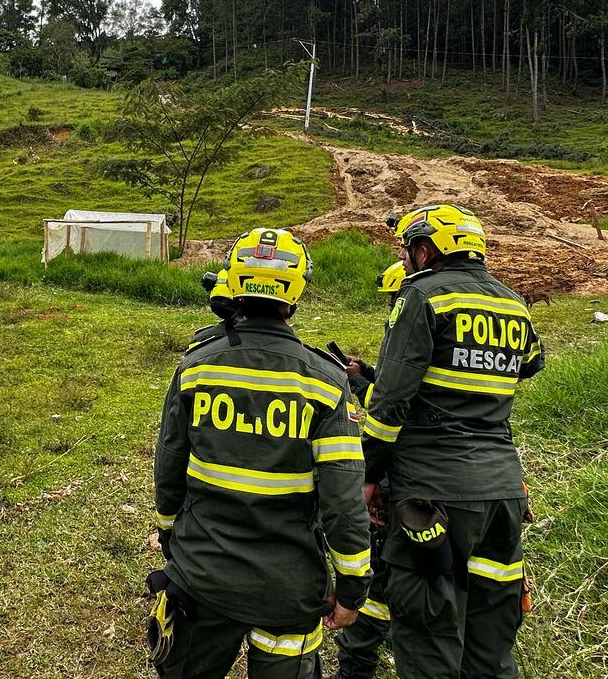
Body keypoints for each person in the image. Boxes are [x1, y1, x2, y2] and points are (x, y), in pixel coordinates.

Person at [152, 228, 371, 679]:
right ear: (297, 290)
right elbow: (343, 503)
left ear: (235, 280)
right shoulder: (326, 383)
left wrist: (170, 536)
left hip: (202, 576)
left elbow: (169, 464)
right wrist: (352, 590)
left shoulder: (196, 366)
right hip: (287, 591)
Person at [351, 204, 545, 679]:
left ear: (424, 250)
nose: (406, 258)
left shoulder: (421, 296)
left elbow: (390, 404)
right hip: (502, 492)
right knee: (491, 647)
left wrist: (368, 475)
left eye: (407, 250)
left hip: (433, 496)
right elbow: (532, 362)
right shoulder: (511, 301)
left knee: (429, 637)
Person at [331, 260, 410, 679]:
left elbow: (394, 410)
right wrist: (366, 378)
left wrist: (367, 477)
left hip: (403, 477)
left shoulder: (415, 319)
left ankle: (359, 658)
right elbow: (400, 391)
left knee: (379, 576)